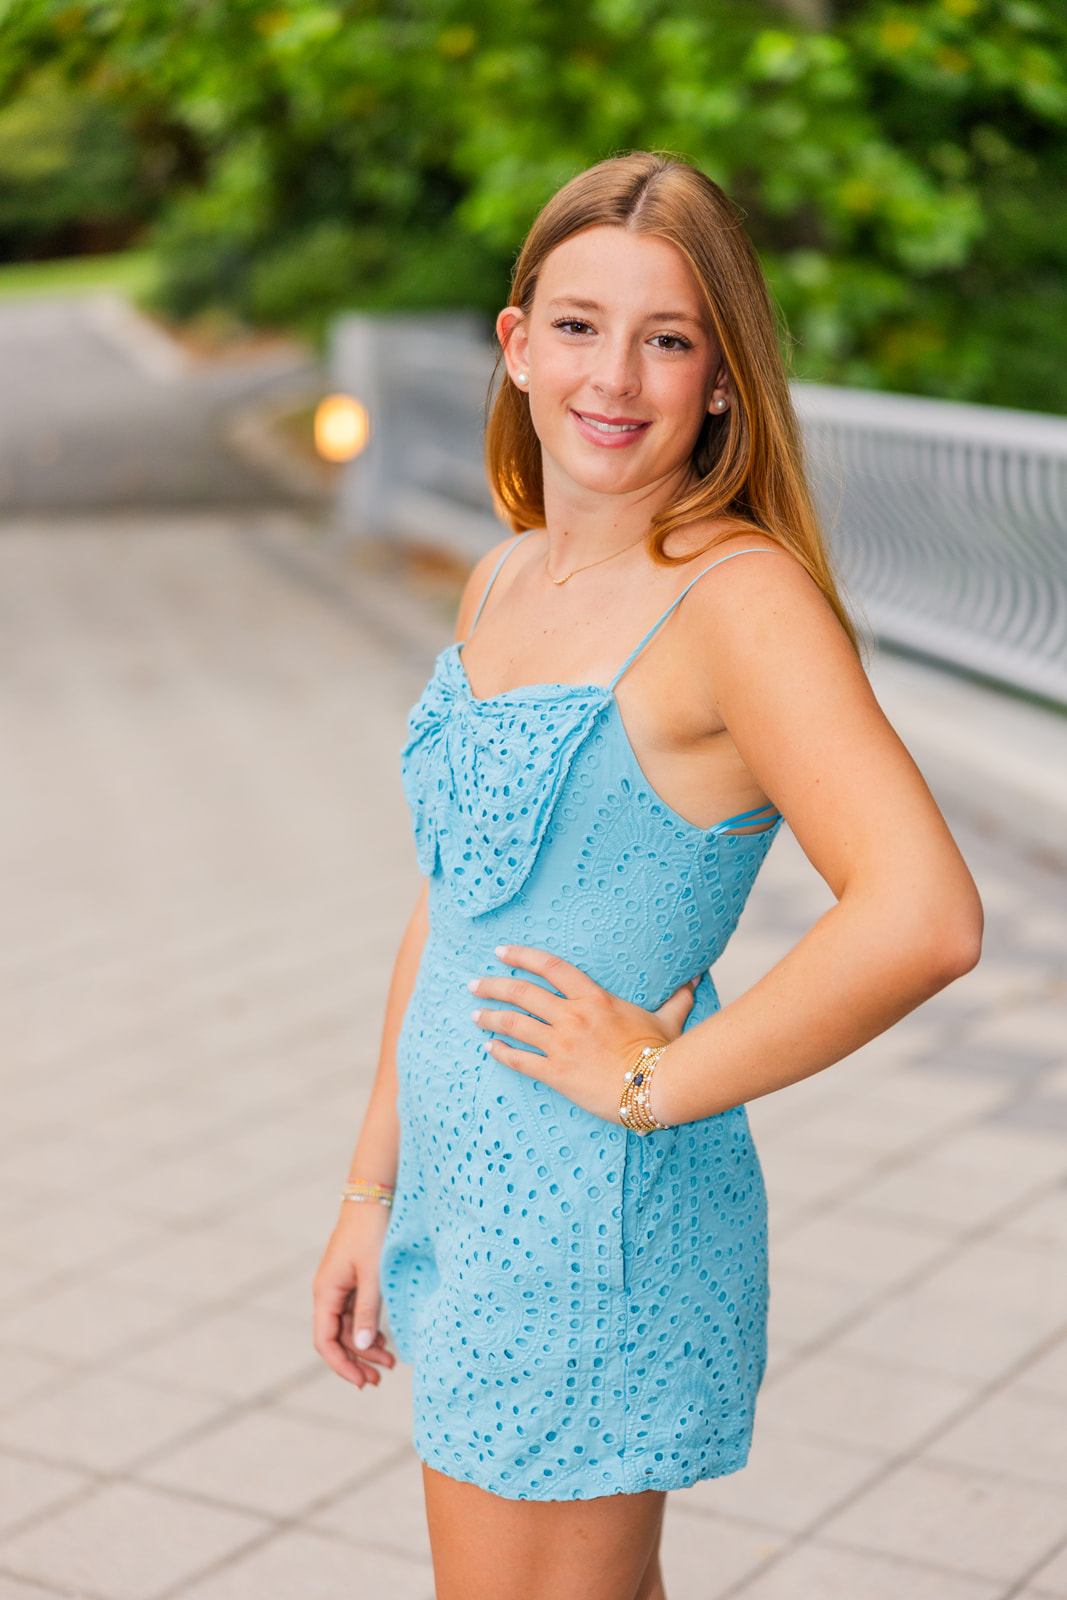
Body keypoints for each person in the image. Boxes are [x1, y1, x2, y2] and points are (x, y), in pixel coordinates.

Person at [312, 151, 982, 1600]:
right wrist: (373, 1190)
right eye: (577, 325)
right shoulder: (507, 573)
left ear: (722, 379)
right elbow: (451, 905)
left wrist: (663, 1081)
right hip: (468, 1206)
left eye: (668, 338)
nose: (614, 376)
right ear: (514, 344)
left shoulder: (739, 603)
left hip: (587, 1224)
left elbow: (925, 914)